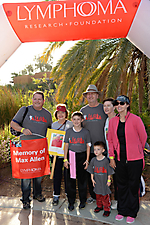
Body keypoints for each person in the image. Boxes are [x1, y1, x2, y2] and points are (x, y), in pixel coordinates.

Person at [108, 95, 147, 224]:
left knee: (133, 185)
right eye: (117, 103)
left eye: (122, 103)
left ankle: (132, 211)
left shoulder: (136, 120)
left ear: (127, 105)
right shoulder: (113, 121)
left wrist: (137, 151)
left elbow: (143, 137)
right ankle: (122, 210)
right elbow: (111, 140)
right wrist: (112, 158)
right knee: (121, 185)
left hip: (135, 159)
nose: (119, 106)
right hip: (119, 159)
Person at [10, 91, 52, 209]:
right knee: (26, 176)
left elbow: (50, 131)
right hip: (25, 149)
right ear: (32, 100)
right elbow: (13, 123)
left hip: (39, 150)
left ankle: (37, 194)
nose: (37, 101)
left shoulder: (47, 114)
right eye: (35, 99)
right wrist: (22, 129)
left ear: (43, 101)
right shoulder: (25, 110)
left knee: (39, 174)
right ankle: (25, 199)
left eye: (39, 99)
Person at [80, 84, 107, 204]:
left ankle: (105, 196)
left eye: (92, 94)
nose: (90, 96)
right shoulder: (83, 111)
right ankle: (93, 195)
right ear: (86, 96)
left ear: (97, 95)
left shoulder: (103, 109)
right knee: (90, 174)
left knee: (103, 173)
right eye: (88, 94)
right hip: (88, 150)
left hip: (102, 149)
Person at [64, 111, 91, 211]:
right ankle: (71, 201)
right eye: (74, 119)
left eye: (78, 119)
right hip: (71, 156)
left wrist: (87, 160)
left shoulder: (86, 132)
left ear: (82, 120)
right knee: (71, 180)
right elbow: (66, 145)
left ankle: (82, 200)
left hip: (82, 156)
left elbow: (88, 146)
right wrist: (65, 159)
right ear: (72, 120)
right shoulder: (69, 131)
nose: (76, 121)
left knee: (82, 180)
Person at [51, 104, 73, 206]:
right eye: (59, 113)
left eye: (63, 113)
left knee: (68, 175)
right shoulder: (53, 125)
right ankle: (56, 195)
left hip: (68, 154)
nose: (61, 115)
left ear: (66, 114)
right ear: (56, 114)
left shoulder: (71, 124)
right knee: (57, 175)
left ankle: (69, 195)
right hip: (56, 154)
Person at [87, 141, 114, 217]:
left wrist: (109, 180)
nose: (96, 151)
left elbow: (109, 171)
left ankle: (107, 209)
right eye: (95, 149)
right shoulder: (93, 160)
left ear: (103, 150)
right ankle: (99, 206)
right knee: (98, 195)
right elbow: (91, 171)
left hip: (104, 182)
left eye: (98, 149)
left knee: (105, 196)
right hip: (97, 182)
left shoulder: (106, 161)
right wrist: (92, 179)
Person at [103, 98, 118, 210]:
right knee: (112, 178)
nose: (106, 108)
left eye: (109, 105)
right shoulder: (107, 120)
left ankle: (119, 200)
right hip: (110, 154)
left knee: (118, 178)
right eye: (104, 106)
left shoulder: (118, 119)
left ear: (114, 107)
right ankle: (114, 199)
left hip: (117, 154)